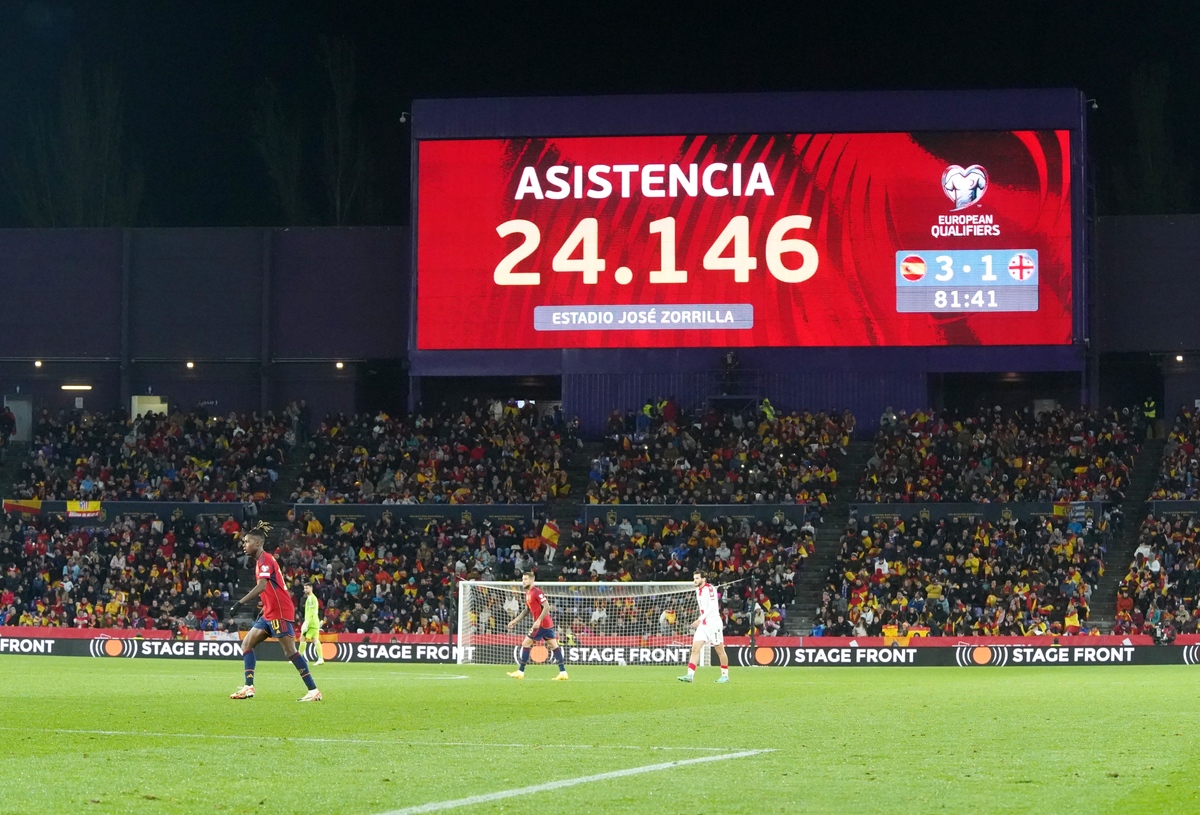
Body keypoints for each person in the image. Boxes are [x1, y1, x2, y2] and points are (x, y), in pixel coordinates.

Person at [227, 522, 322, 701]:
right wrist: (264, 608)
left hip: (280, 611)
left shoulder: (266, 559)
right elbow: (271, 589)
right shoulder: (260, 562)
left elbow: (262, 585)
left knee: (290, 652)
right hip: (269, 611)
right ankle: (248, 686)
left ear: (257, 543)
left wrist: (239, 603)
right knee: (247, 644)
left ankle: (313, 690)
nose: (244, 545)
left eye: (246, 541)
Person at [506, 570, 568, 680]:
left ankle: (520, 672)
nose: (523, 582)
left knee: (525, 644)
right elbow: (526, 610)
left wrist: (538, 620)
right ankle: (563, 673)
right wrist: (515, 620)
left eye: (525, 579)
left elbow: (547, 606)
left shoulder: (536, 592)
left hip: (542, 624)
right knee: (554, 646)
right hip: (546, 624)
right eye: (522, 579)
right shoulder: (528, 593)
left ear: (532, 580)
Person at [679, 570, 730, 683]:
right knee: (695, 649)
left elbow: (712, 607)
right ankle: (690, 675)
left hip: (713, 623)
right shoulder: (697, 590)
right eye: (694, 578)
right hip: (704, 624)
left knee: (719, 650)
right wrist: (701, 619)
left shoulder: (710, 588)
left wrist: (699, 619)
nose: (695, 580)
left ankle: (725, 675)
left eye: (697, 578)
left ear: (703, 579)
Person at [297, 581, 324, 666]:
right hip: (313, 622)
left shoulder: (312, 598)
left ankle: (299, 658)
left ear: (311, 588)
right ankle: (320, 658)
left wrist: (306, 622)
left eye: (307, 588)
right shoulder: (310, 598)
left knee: (303, 638)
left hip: (311, 622)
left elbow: (312, 611)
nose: (305, 590)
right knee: (312, 639)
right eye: (304, 588)